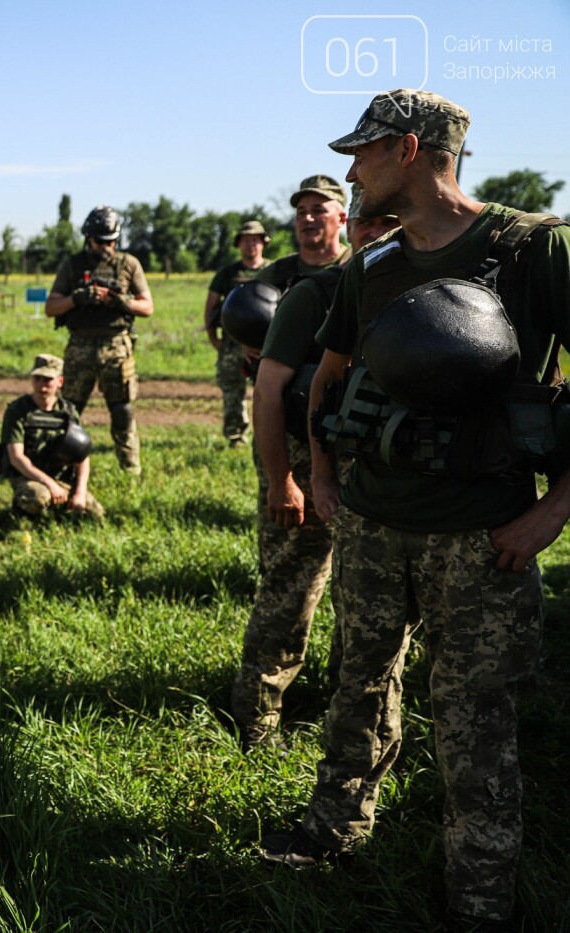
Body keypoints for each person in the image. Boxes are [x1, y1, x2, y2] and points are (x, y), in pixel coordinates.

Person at [261, 88, 570, 933]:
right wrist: (323, 474)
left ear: (407, 149)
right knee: (358, 684)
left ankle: (479, 895)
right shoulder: (372, 267)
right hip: (372, 521)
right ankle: (334, 827)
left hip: (482, 535)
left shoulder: (535, 249)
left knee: (475, 719)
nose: (348, 171)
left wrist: (554, 513)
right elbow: (327, 381)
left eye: (360, 154)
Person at [230, 188, 398, 752]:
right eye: (366, 224)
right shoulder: (307, 291)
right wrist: (282, 479)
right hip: (303, 461)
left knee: (371, 600)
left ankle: (345, 712)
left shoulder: (415, 293)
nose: (373, 234)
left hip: (381, 470)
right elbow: (268, 388)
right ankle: (259, 715)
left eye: (386, 223)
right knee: (291, 586)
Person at [44, 205, 154, 475]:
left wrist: (122, 301)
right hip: (80, 346)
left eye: (111, 241)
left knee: (122, 411)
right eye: (100, 241)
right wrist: (77, 298)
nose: (106, 246)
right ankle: (63, 467)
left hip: (116, 346)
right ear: (88, 238)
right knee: (69, 411)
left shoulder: (128, 264)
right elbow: (51, 307)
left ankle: (130, 469)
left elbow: (147, 306)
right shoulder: (73, 265)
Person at [0, 353, 103, 519]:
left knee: (93, 514)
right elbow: (16, 458)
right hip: (28, 477)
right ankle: (23, 514)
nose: (41, 385)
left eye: (47, 380)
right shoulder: (18, 410)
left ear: (59, 382)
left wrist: (80, 492)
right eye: (37, 378)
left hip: (61, 476)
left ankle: (58, 512)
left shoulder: (68, 412)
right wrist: (50, 484)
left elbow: (82, 456)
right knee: (38, 498)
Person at [205, 220, 271, 447]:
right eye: (246, 240)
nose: (251, 244)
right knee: (233, 392)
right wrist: (214, 339)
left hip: (268, 345)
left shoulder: (274, 270)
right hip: (233, 344)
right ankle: (236, 437)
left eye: (255, 240)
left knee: (269, 392)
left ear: (263, 243)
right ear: (239, 244)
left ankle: (267, 434)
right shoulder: (227, 273)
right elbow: (211, 306)